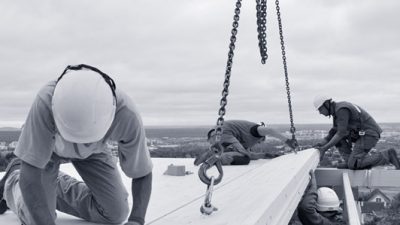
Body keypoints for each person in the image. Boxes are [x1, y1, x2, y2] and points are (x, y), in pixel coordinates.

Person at [0, 64, 153, 225]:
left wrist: (136, 220)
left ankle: (51, 186)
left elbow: (142, 172)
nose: (78, 143)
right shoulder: (45, 102)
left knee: (115, 213)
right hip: (48, 150)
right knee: (35, 218)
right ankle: (14, 180)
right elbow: (31, 176)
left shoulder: (126, 114)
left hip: (95, 151)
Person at [313, 95, 400, 170]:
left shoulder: (341, 109)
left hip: (369, 134)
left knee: (353, 164)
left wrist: (324, 149)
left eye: (320, 109)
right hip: (363, 135)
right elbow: (332, 134)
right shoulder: (337, 111)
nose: (320, 112)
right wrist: (320, 144)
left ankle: (387, 155)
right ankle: (351, 162)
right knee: (338, 141)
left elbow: (341, 133)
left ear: (326, 104)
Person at [194, 120, 298, 166]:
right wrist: (288, 141)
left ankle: (212, 154)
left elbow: (250, 155)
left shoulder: (246, 142)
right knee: (244, 157)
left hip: (216, 136)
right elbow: (270, 130)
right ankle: (214, 158)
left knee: (243, 157)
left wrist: (267, 155)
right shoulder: (256, 130)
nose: (260, 143)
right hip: (224, 132)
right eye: (262, 140)